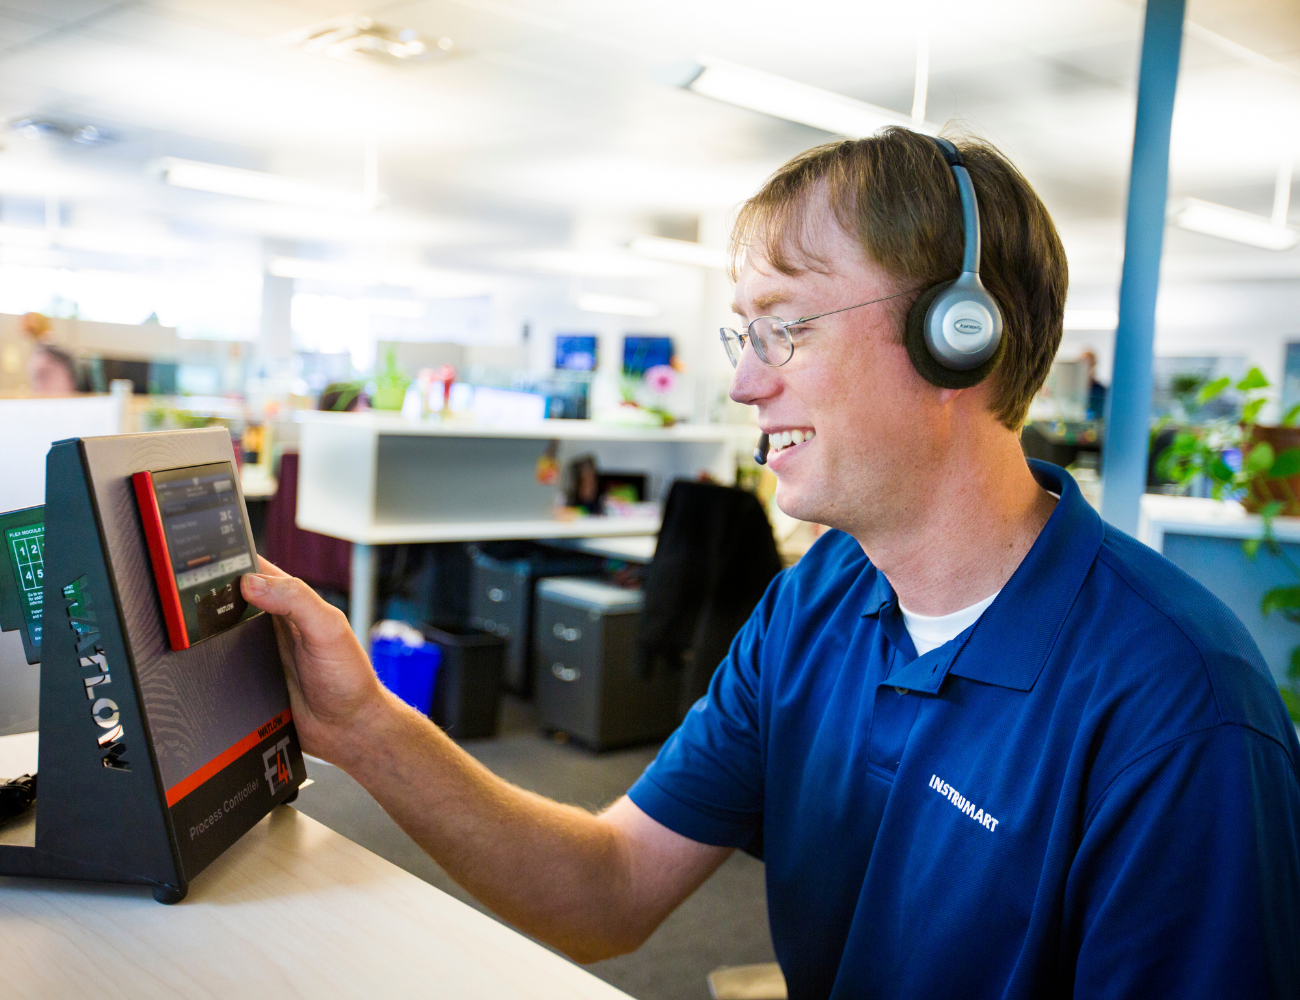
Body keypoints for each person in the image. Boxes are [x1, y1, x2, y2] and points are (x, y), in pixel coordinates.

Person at [240, 128, 1300, 997]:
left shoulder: (1180, 713)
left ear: (959, 339)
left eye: (785, 330)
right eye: (740, 335)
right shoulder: (815, 601)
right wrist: (370, 728)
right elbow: (609, 889)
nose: (745, 385)